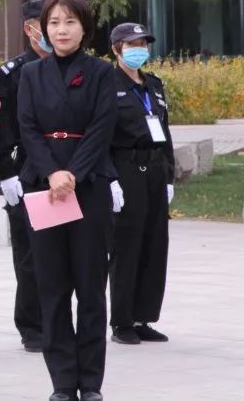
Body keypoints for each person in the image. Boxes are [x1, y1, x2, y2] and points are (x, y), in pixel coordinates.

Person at [16, 0, 120, 401]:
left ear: (84, 27)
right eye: (54, 22)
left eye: (70, 22)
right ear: (43, 27)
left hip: (88, 187)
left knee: (91, 288)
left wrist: (73, 173)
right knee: (53, 287)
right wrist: (52, 172)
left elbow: (102, 128)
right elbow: (26, 128)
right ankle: (62, 382)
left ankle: (90, 382)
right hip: (47, 189)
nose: (61, 30)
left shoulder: (100, 72)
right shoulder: (30, 75)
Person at [107, 23, 175, 346]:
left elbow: (166, 131)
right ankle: (121, 321)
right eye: (132, 44)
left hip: (155, 168)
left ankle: (143, 316)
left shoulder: (154, 85)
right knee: (127, 244)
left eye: (143, 43)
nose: (139, 49)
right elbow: (101, 136)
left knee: (154, 243)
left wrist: (170, 174)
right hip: (125, 166)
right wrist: (109, 179)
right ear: (116, 48)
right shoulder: (107, 84)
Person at [0, 0, 49, 353]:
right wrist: (5, 172)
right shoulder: (12, 72)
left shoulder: (67, 66)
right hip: (24, 172)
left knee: (58, 253)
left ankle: (55, 319)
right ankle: (31, 326)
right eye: (47, 23)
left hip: (60, 174)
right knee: (29, 256)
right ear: (30, 28)